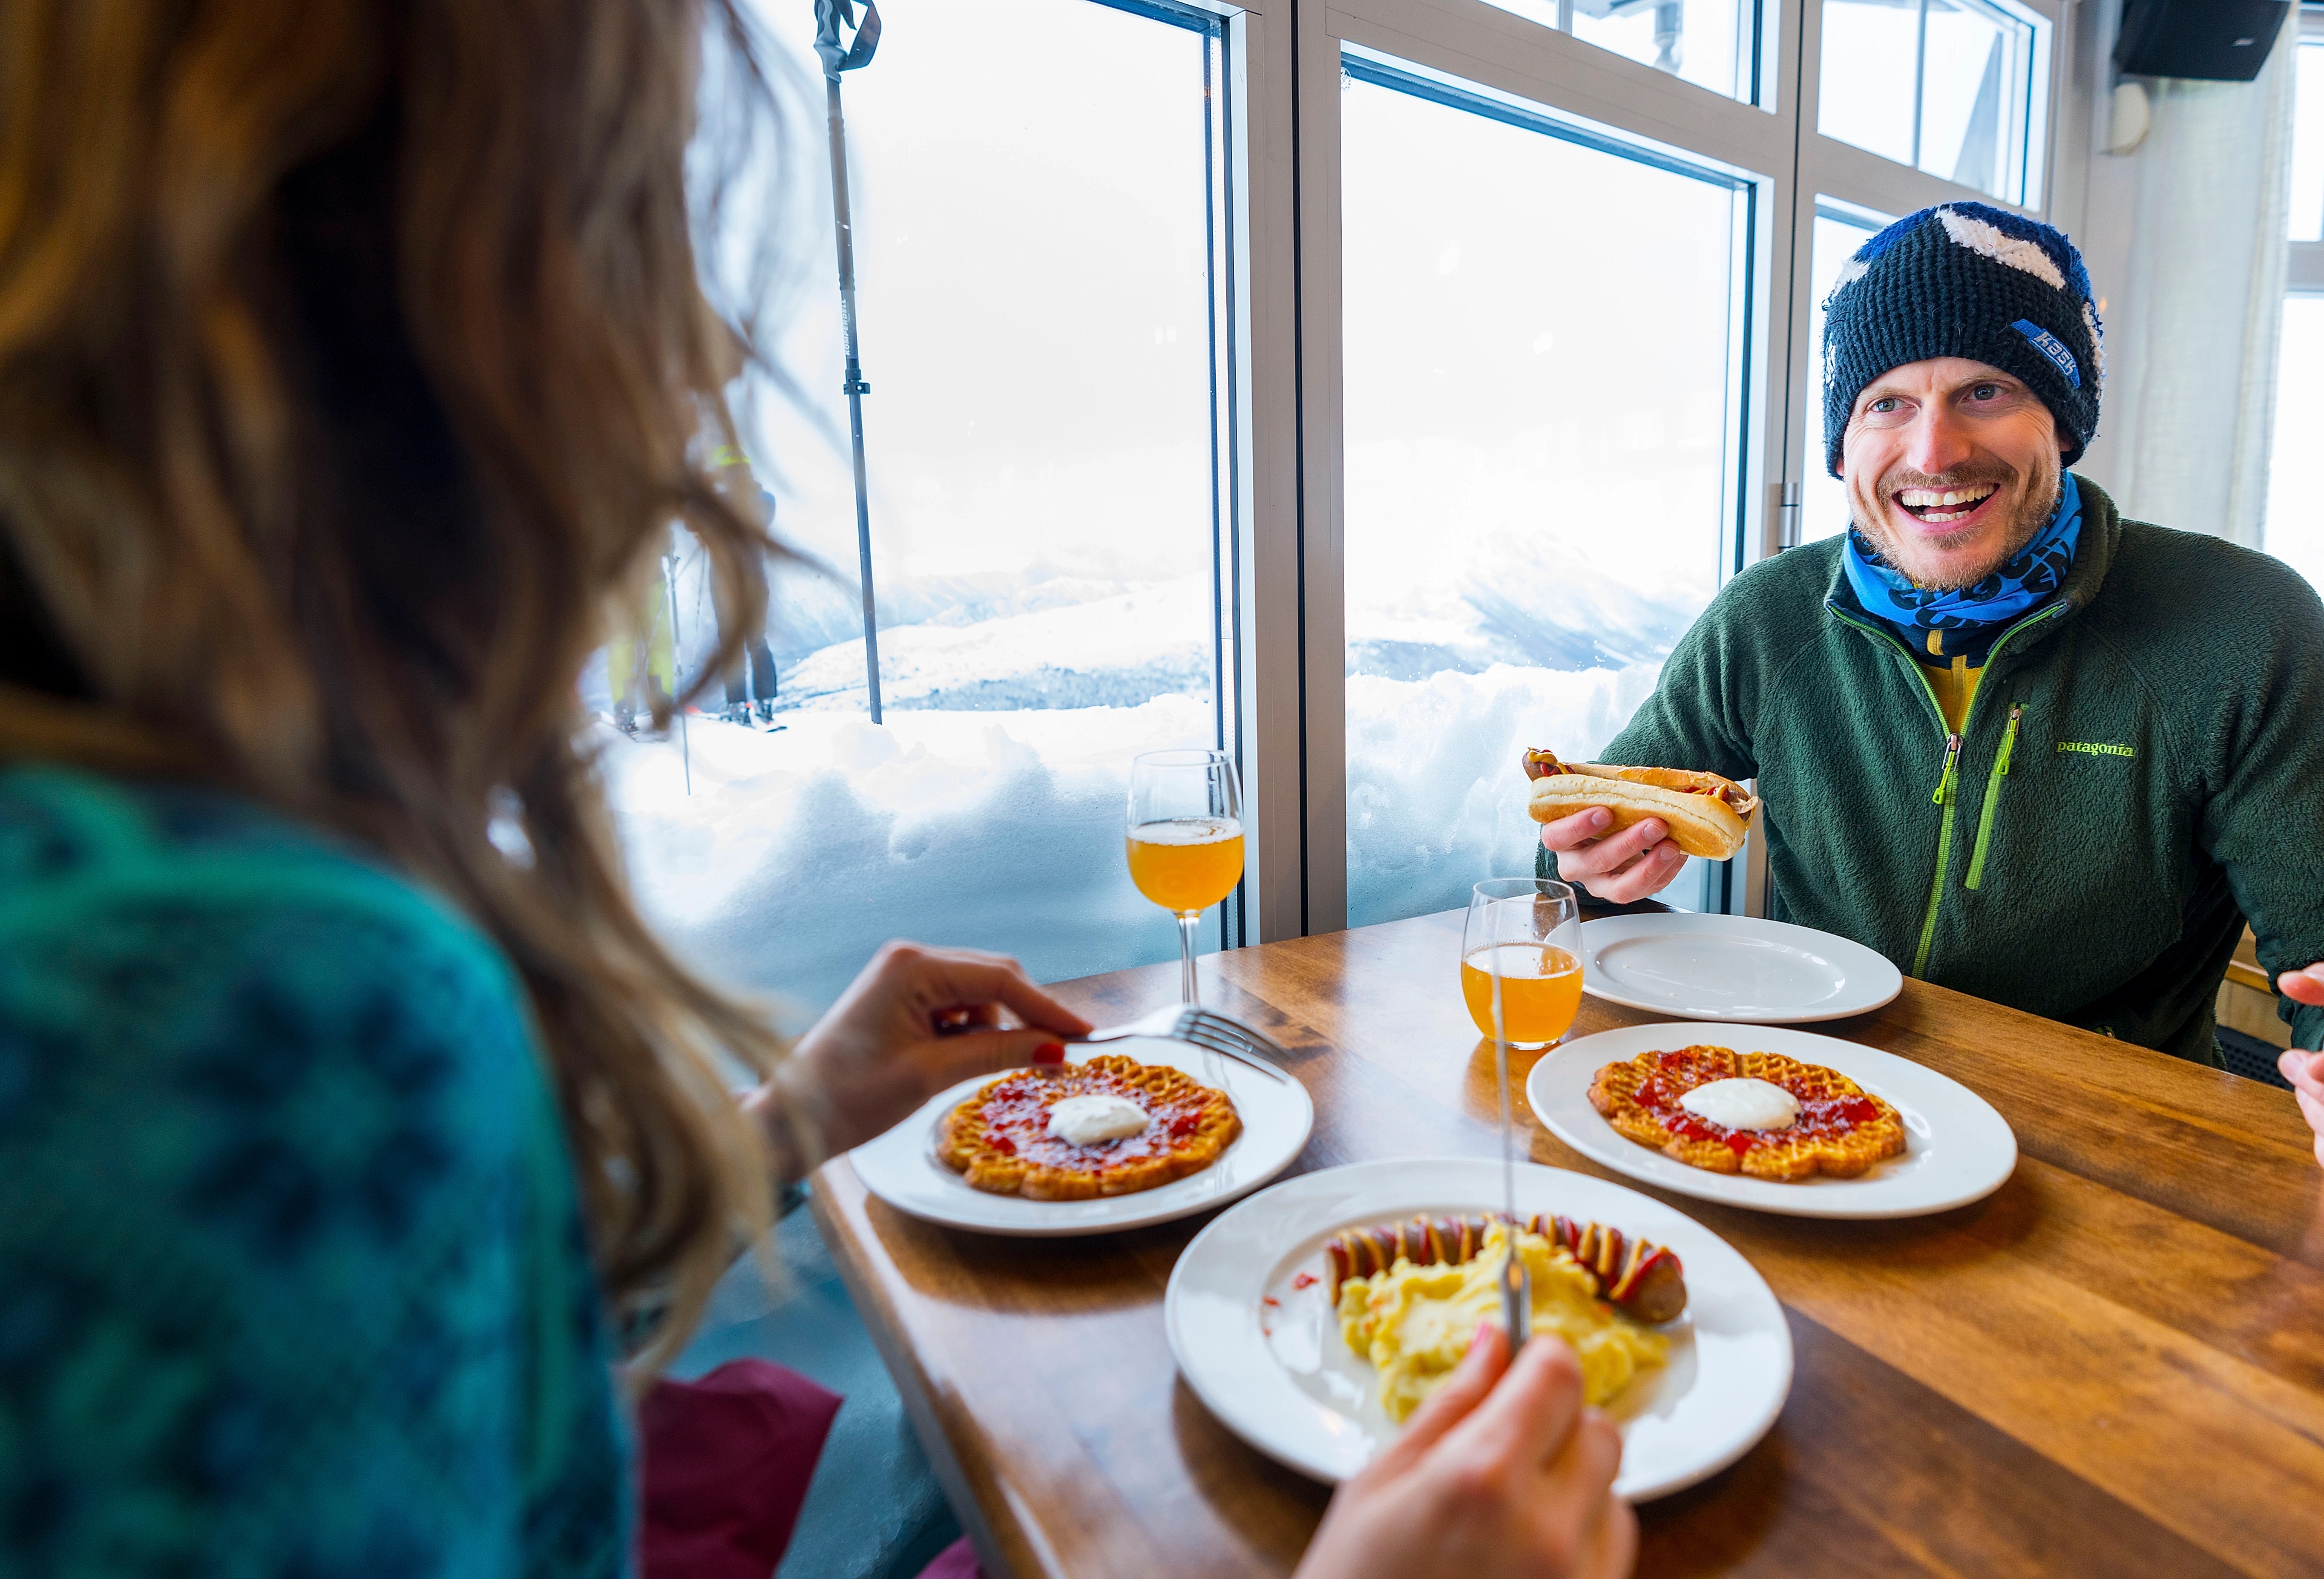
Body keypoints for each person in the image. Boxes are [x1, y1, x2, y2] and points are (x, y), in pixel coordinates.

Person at [0, 4, 1629, 1575]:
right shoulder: (241, 991)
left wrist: (785, 1125)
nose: (699, 353)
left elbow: (433, 1333)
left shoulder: (136, 880)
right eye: (622, 229)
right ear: (372, 286)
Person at [1540, 202, 2324, 1158]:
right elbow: (1573, 862)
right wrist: (1593, 864)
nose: (1935, 452)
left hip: (2107, 1154)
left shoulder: (2244, 625)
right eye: (1888, 404)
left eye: (1986, 390)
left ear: (2064, 422)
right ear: (1844, 446)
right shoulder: (1770, 618)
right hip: (1812, 1117)